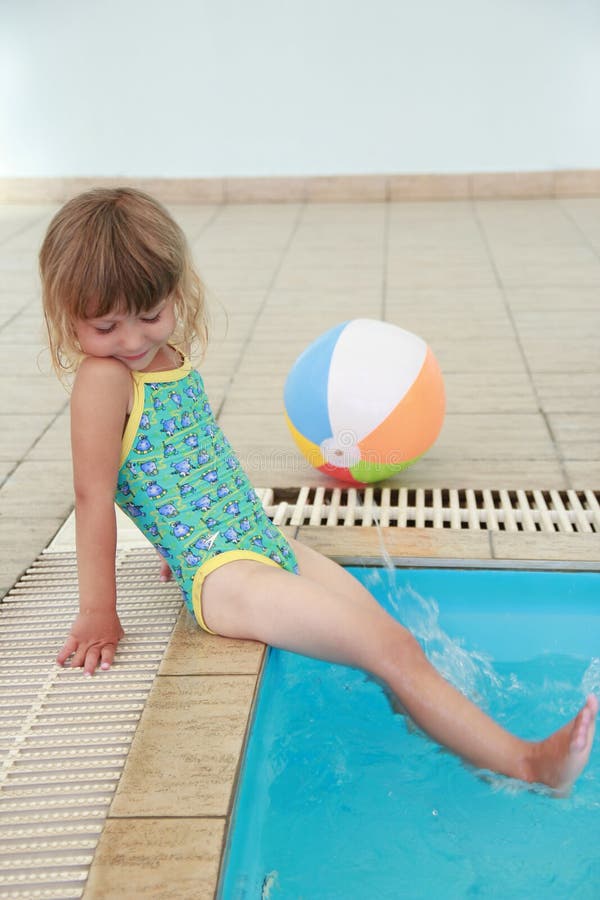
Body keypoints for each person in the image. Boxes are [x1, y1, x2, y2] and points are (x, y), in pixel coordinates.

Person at [39, 187, 596, 794]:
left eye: (149, 314)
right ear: (67, 316)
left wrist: (172, 539)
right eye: (104, 325)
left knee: (396, 641)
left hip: (255, 538)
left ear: (176, 292)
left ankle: (468, 751)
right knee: (387, 648)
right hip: (224, 574)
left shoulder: (164, 356)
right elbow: (94, 495)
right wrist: (99, 612)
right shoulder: (102, 379)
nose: (130, 339)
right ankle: (526, 764)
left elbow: (167, 466)